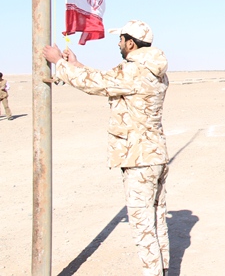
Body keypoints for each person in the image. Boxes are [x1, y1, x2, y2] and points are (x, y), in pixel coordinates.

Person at [43, 20, 170, 276]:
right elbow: (108, 80)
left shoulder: (134, 70)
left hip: (139, 159)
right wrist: (76, 64)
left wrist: (60, 63)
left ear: (131, 43)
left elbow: (98, 84)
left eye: (121, 40)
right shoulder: (152, 69)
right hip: (155, 154)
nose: (118, 44)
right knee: (156, 221)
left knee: (143, 228)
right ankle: (163, 270)